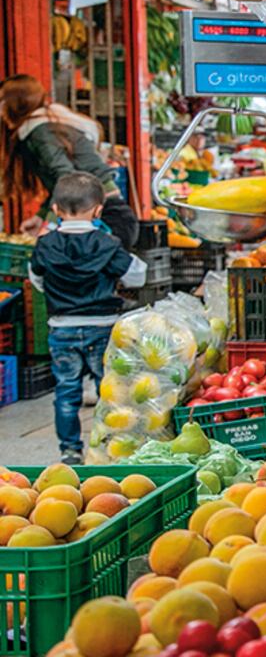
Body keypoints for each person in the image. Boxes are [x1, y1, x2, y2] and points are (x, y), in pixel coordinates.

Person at [29, 172, 147, 465]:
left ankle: (70, 451)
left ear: (55, 209)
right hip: (102, 328)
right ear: (98, 210)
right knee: (108, 390)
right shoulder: (106, 244)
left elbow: (36, 278)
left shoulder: (46, 245)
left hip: (61, 329)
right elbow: (137, 275)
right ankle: (109, 444)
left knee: (66, 392)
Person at [0, 74, 139, 248]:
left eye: (3, 102)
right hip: (103, 213)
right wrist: (41, 216)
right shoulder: (44, 125)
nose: (1, 109)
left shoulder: (40, 132)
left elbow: (67, 178)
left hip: (103, 216)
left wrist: (49, 225)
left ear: (16, 103)